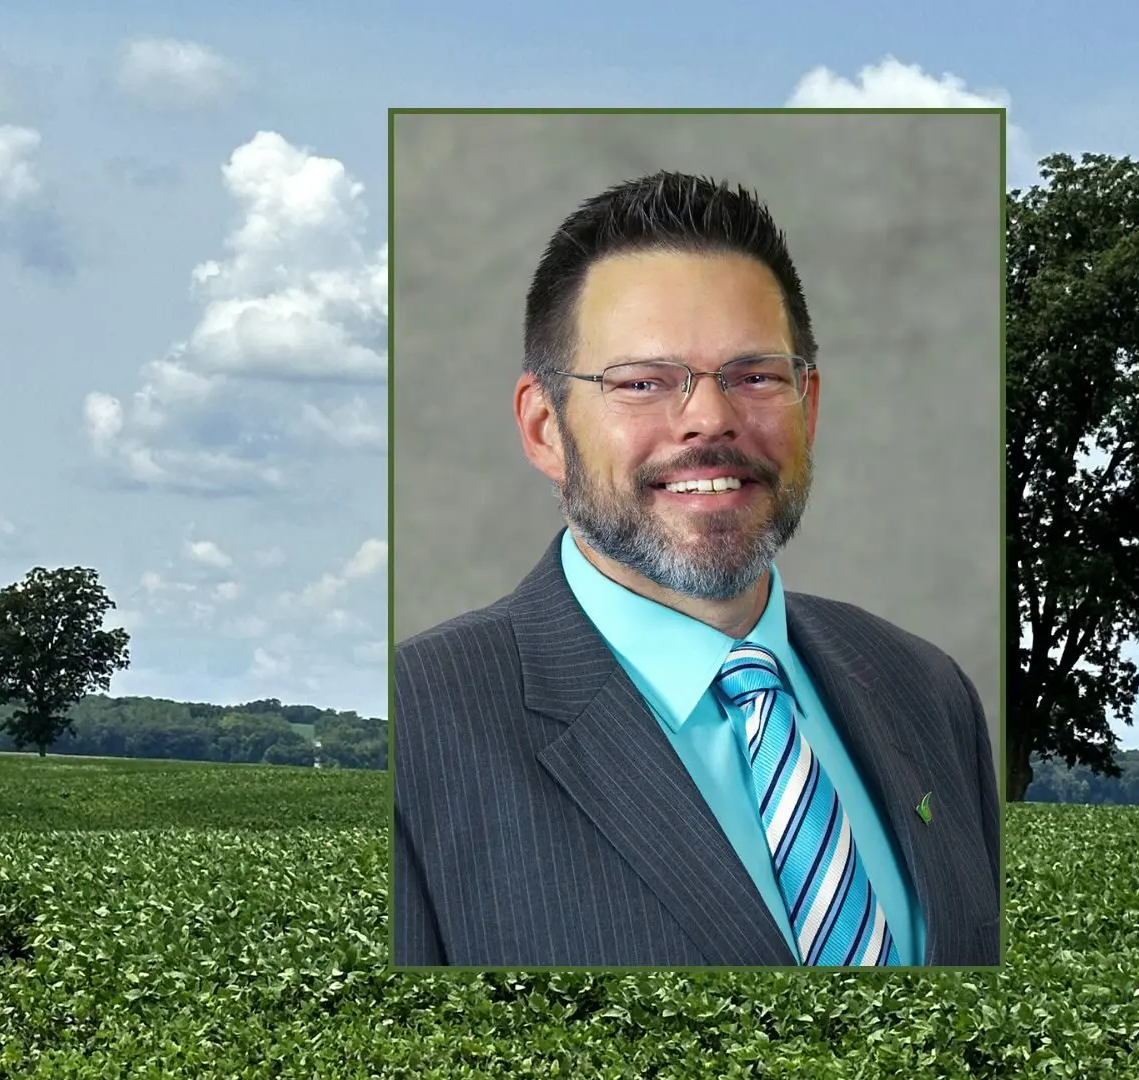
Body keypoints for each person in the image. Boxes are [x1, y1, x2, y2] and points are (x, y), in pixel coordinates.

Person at [392, 171, 1000, 968]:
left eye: (756, 376)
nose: (710, 419)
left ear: (809, 408)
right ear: (545, 429)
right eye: (643, 382)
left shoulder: (928, 691)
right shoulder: (417, 725)